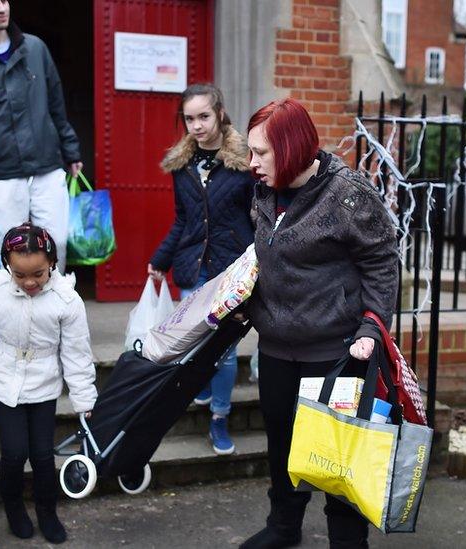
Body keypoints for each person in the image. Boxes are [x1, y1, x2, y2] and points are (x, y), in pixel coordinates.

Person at [239, 98, 399, 549]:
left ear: (290, 148)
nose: (252, 164)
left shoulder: (348, 194)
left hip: (336, 353)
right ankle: (284, 527)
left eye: (261, 153)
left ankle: (348, 541)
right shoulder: (265, 189)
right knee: (283, 448)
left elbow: (382, 264)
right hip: (276, 349)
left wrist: (371, 328)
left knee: (337, 456)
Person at [0, 223, 97, 544]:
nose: (29, 282)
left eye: (38, 274)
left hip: (44, 384)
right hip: (2, 381)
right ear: (6, 264)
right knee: (13, 453)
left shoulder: (67, 299)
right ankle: (14, 509)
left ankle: (47, 512)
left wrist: (85, 400)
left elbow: (77, 353)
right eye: (19, 274)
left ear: (52, 262)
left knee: (41, 455)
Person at [147, 83, 256, 456]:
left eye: (204, 116)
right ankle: (205, 387)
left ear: (220, 114)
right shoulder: (182, 166)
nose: (196, 125)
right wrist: (160, 260)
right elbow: (183, 220)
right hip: (194, 268)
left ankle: (220, 418)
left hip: (230, 270)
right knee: (193, 342)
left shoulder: (245, 164)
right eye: (190, 118)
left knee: (222, 352)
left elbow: (258, 216)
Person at [0, 0, 83, 269]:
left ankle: (55, 311)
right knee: (7, 252)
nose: (1, 8)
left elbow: (56, 106)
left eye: (4, 0)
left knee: (57, 245)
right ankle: (11, 312)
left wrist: (71, 150)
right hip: (2, 173)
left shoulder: (35, 48)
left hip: (47, 165)